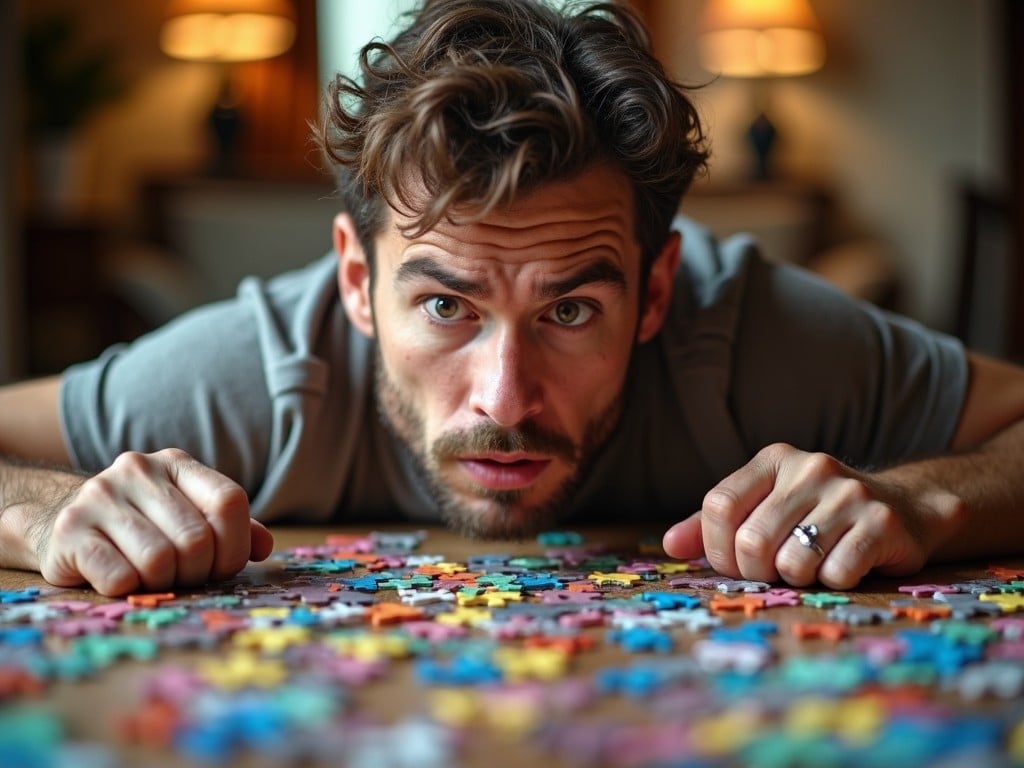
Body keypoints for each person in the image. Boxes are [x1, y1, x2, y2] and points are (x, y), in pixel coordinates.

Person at [2, 0, 1023, 598]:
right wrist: (39, 512)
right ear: (358, 286)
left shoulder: (759, 336)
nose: (503, 397)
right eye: (446, 307)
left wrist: (922, 503)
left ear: (656, 290)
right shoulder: (255, 371)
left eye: (569, 311)